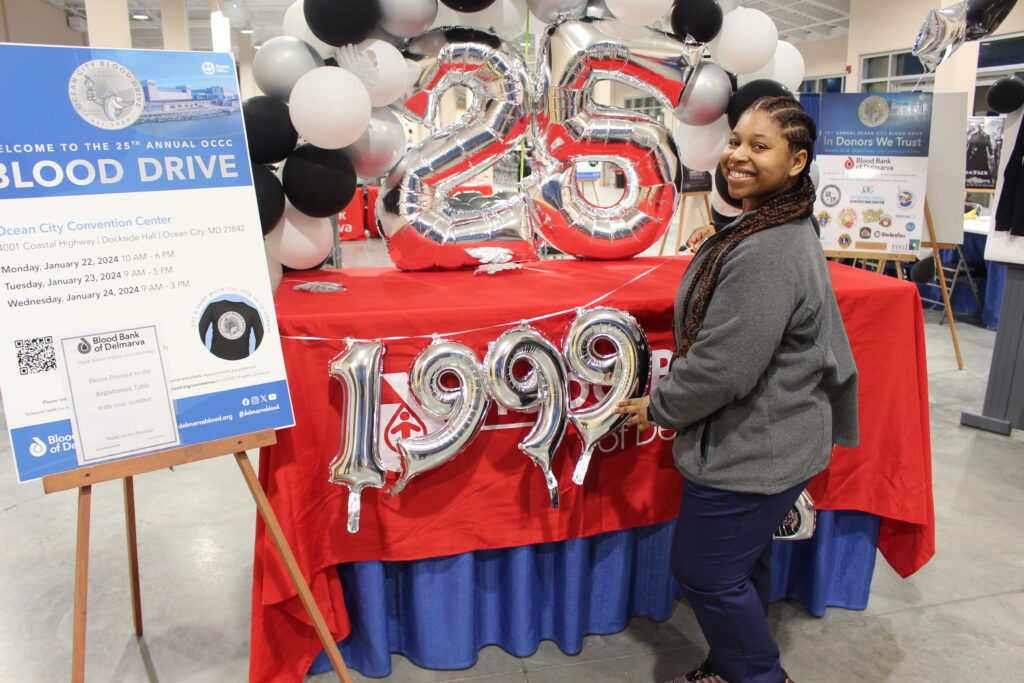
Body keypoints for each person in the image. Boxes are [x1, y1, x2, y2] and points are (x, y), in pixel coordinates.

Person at [615, 95, 859, 683]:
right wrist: (723, 235)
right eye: (735, 141)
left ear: (798, 162)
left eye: (760, 146)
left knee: (707, 574)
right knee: (740, 567)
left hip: (756, 446)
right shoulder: (775, 222)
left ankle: (758, 675)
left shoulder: (768, 249)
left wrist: (660, 407)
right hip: (773, 436)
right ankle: (728, 666)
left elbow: (726, 365)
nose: (737, 156)